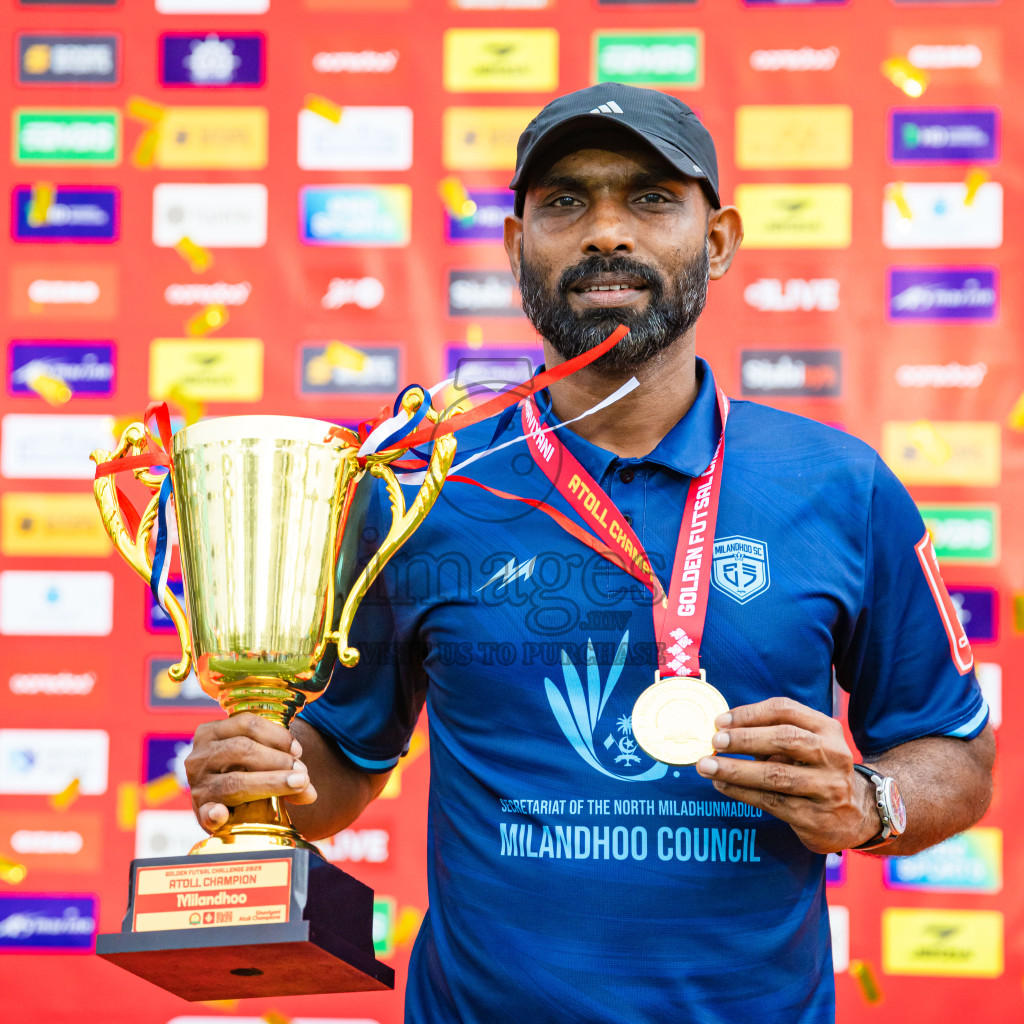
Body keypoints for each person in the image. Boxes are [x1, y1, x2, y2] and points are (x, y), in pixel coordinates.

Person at [185, 83, 995, 1024]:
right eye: (565, 201)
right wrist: (266, 778)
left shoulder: (839, 485)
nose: (606, 231)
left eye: (651, 198)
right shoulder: (417, 486)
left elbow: (957, 756)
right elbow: (344, 765)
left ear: (720, 239)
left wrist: (867, 802)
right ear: (515, 242)